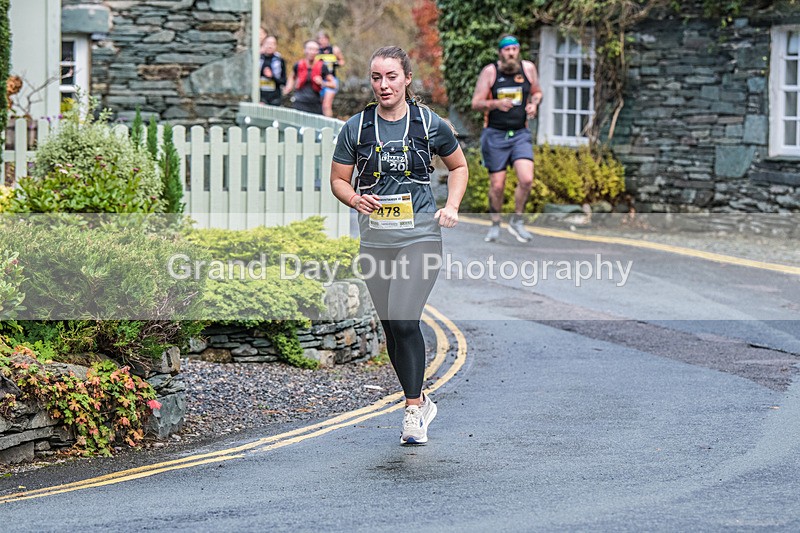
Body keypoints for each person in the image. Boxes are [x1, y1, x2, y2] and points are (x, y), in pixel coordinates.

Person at [330, 46, 468, 445]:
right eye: (376, 77)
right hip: (376, 242)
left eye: (391, 76)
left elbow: (458, 166)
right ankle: (420, 399)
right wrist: (355, 198)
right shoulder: (357, 128)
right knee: (392, 327)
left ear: (407, 78)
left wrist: (452, 205)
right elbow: (339, 179)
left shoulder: (429, 124)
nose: (383, 84)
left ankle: (411, 410)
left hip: (421, 236)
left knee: (405, 319)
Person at [471, 34, 543, 243]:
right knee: (497, 185)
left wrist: (534, 104)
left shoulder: (528, 69)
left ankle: (517, 220)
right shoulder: (491, 72)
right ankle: (495, 223)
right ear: (500, 52)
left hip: (520, 133)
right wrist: (495, 105)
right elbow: (476, 103)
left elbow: (537, 92)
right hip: (494, 134)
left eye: (514, 49)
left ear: (518, 51)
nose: (511, 53)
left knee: (527, 179)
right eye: (507, 50)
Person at [285, 40, 335, 115]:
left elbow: (333, 84)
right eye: (310, 49)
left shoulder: (322, 66)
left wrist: (322, 82)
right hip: (300, 101)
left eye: (315, 50)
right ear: (304, 50)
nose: (312, 52)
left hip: (315, 102)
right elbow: (292, 77)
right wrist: (288, 87)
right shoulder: (298, 65)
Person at [315, 31, 345, 118]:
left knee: (326, 105)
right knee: (319, 104)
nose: (322, 41)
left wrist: (335, 63)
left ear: (327, 39)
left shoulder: (334, 49)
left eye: (324, 39)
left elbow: (342, 61)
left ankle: (328, 125)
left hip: (331, 79)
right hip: (319, 79)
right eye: (320, 39)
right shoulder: (316, 51)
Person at [259, 33, 287, 106]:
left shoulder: (280, 60)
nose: (270, 46)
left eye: (273, 44)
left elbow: (283, 81)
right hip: (260, 97)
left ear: (276, 46)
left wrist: (272, 76)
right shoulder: (258, 59)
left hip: (275, 98)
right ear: (263, 45)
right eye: (268, 43)